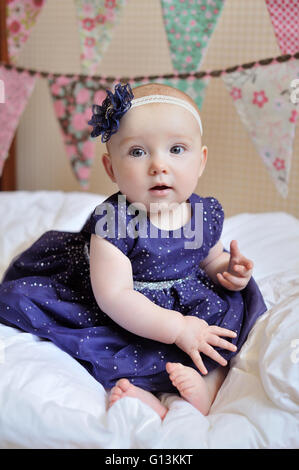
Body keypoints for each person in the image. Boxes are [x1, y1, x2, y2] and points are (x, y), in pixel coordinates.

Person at [0, 82, 267, 419]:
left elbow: (209, 258)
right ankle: (141, 395)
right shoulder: (115, 221)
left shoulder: (201, 213)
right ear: (111, 168)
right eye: (138, 152)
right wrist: (176, 327)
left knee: (228, 325)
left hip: (186, 300)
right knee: (116, 346)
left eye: (177, 149)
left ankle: (209, 384)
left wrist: (228, 271)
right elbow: (115, 296)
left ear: (200, 162)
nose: (159, 165)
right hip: (127, 307)